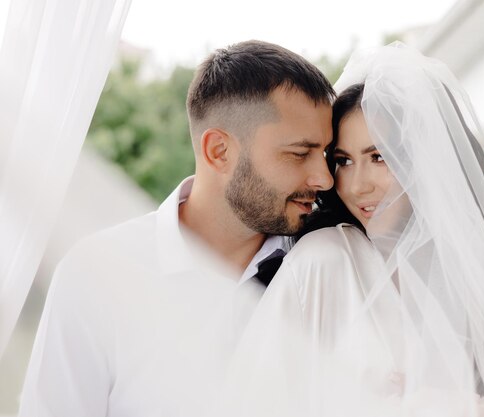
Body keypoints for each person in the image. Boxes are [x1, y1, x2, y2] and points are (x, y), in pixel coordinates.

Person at [217, 43, 484, 417]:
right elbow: (250, 401)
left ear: (427, 163)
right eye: (343, 160)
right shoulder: (325, 259)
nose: (357, 184)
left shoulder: (466, 281)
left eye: (379, 157)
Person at [18, 40, 335, 417]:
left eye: (326, 154)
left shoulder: (328, 268)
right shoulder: (94, 275)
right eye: (300, 153)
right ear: (219, 151)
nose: (325, 178)